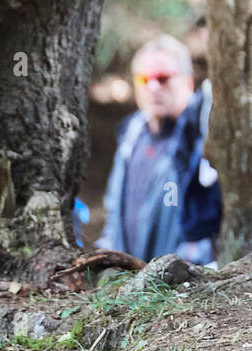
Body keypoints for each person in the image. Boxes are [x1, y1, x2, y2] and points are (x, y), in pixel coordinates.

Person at [95, 36, 221, 263]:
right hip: (132, 287)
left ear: (187, 83)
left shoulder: (201, 135)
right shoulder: (131, 134)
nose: (153, 87)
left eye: (163, 79)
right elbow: (113, 211)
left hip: (183, 285)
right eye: (145, 79)